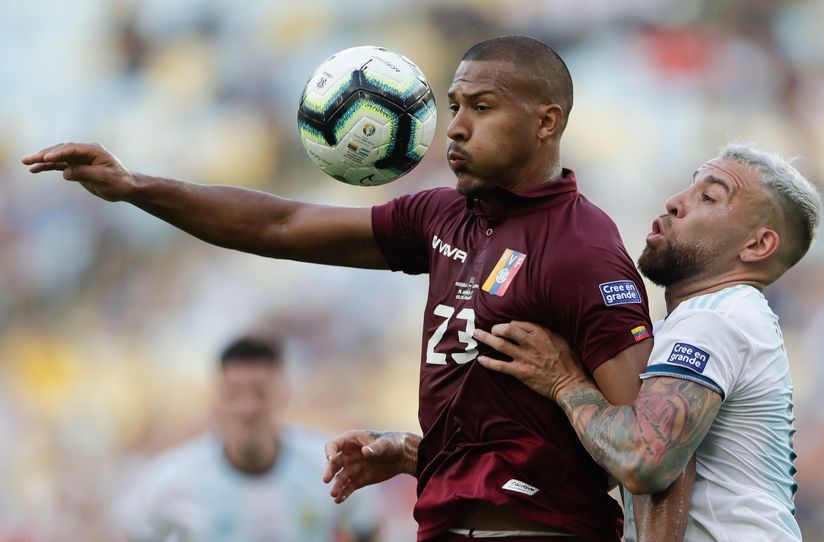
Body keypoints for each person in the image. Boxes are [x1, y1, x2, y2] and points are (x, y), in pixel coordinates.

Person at [24, 36, 684, 541]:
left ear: (546, 122)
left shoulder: (582, 250)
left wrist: (567, 383)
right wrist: (134, 186)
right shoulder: (443, 216)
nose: (455, 127)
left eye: (481, 108)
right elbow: (282, 225)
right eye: (455, 106)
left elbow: (648, 454)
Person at [470, 144, 820, 541]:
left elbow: (643, 461)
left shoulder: (716, 317)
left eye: (708, 197)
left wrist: (565, 382)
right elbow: (612, 461)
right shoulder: (724, 316)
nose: (674, 202)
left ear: (757, 245)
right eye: (690, 187)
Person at [117, 335, 383, 542]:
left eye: (260, 393)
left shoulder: (327, 466)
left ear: (284, 395)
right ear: (216, 399)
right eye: (233, 394)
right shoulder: (171, 479)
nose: (247, 408)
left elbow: (368, 528)